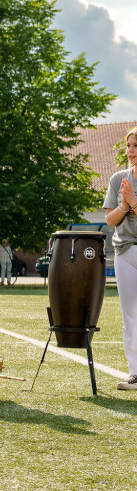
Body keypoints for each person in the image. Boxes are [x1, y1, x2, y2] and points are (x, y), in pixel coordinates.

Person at [103, 126, 137, 390]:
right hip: (124, 251)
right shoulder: (118, 178)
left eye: (136, 145)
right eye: (128, 146)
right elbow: (111, 219)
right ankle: (135, 373)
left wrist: (133, 201)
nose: (131, 151)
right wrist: (125, 205)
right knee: (130, 315)